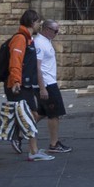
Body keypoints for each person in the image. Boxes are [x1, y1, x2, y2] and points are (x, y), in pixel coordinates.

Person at [0, 8, 55, 161]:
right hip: (17, 87)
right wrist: (16, 81)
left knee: (26, 117)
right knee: (14, 119)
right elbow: (15, 61)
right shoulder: (20, 39)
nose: (39, 25)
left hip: (25, 86)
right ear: (32, 22)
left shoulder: (27, 38)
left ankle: (33, 151)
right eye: (38, 22)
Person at [33, 19, 70, 152]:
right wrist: (42, 88)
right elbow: (37, 67)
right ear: (47, 29)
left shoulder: (45, 41)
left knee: (42, 112)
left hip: (49, 82)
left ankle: (19, 132)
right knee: (54, 114)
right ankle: (54, 144)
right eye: (55, 31)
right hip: (47, 84)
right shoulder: (39, 43)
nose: (57, 33)